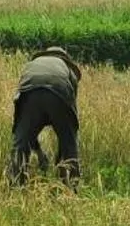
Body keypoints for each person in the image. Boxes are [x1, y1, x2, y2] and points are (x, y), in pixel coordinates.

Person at [8, 45, 81, 185]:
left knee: (20, 144)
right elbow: (69, 127)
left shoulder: (32, 65)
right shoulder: (67, 69)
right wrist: (60, 160)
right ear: (64, 58)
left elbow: (28, 129)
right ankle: (72, 187)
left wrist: (39, 153)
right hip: (59, 92)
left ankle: (16, 186)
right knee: (70, 144)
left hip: (29, 93)